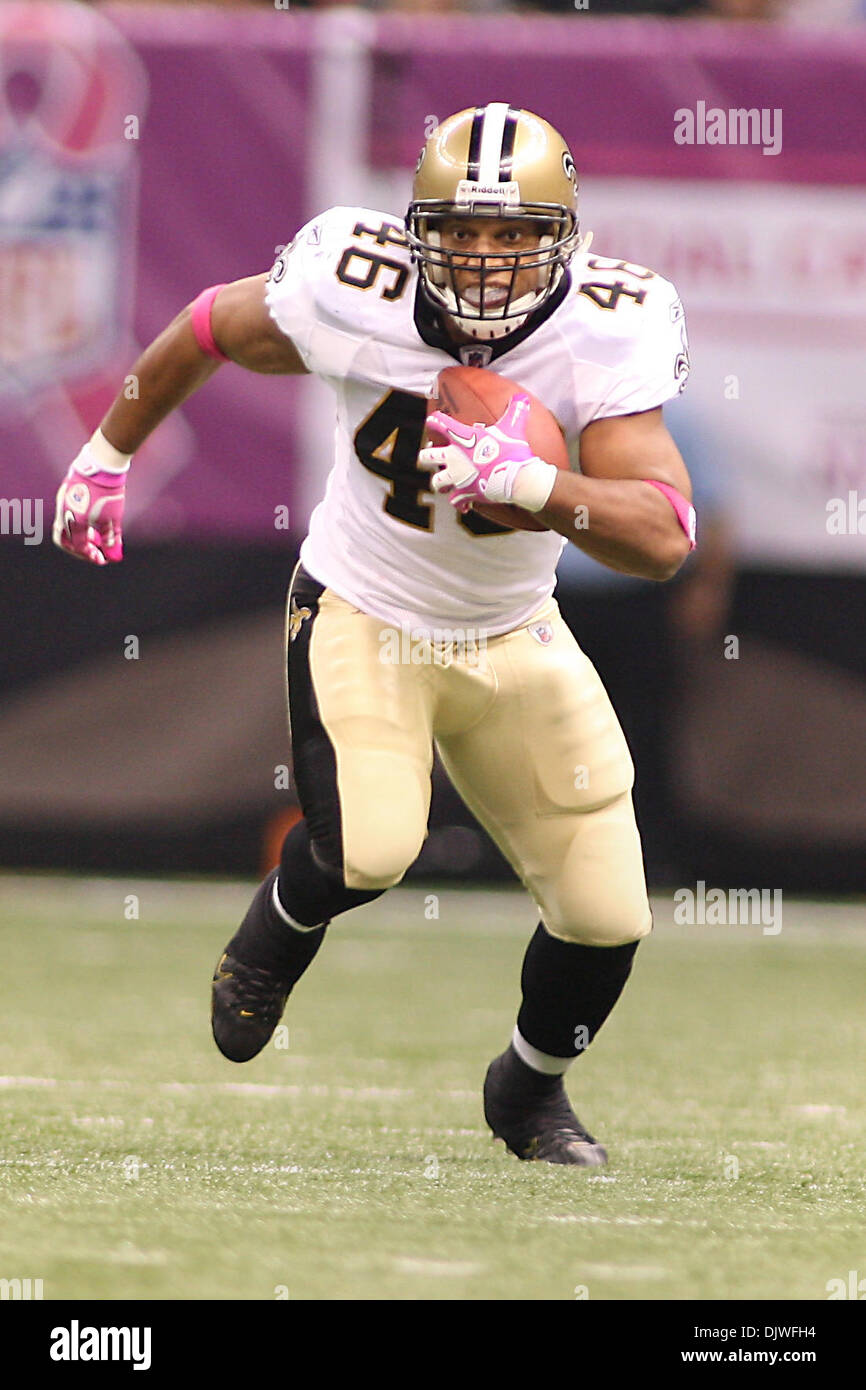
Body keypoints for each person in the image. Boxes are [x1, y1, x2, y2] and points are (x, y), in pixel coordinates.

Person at [53, 104, 695, 1166]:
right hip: (365, 605)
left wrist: (534, 486)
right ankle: (275, 933)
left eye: (512, 235)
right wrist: (107, 451)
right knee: (369, 847)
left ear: (563, 241)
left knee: (604, 911)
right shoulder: (348, 286)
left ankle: (526, 1092)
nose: (484, 261)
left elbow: (663, 535)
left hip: (509, 626)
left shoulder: (608, 323)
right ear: (413, 233)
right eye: (460, 233)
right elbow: (210, 325)